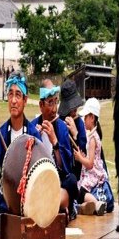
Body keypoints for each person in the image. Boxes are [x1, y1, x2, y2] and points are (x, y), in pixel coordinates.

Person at [0, 75, 44, 238]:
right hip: (7, 206)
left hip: (29, 205)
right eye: (10, 94)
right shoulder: (1, 133)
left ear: (25, 100)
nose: (14, 100)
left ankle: (15, 228)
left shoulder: (33, 133)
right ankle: (16, 228)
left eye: (18, 95)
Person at [32, 79, 78, 220]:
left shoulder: (61, 127)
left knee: (71, 180)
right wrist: (36, 140)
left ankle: (55, 206)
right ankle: (61, 208)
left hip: (58, 182)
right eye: (49, 103)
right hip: (40, 182)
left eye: (56, 102)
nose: (54, 109)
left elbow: (66, 168)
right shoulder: (32, 127)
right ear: (41, 105)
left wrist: (55, 142)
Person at [72, 97, 109, 216]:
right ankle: (88, 206)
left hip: (94, 173)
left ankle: (96, 203)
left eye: (86, 117)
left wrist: (79, 158)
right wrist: (84, 155)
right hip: (93, 171)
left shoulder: (93, 138)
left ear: (92, 118)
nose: (83, 120)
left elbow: (90, 164)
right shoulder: (93, 135)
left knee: (81, 191)